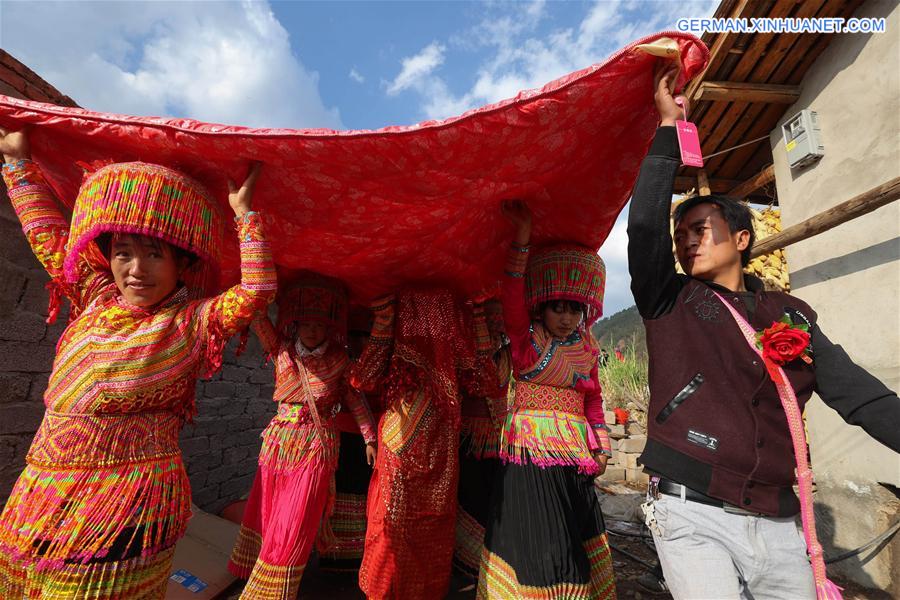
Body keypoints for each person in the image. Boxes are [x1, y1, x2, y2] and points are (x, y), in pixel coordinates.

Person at [628, 66, 900, 599]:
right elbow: (642, 228)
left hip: (780, 522)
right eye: (680, 236)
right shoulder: (670, 298)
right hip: (691, 510)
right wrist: (667, 130)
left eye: (700, 230)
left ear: (742, 238)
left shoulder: (790, 313)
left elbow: (860, 396)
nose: (686, 242)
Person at [0, 127, 276, 598]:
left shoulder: (192, 322)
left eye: (154, 255)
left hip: (125, 502)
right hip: (43, 492)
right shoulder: (94, 296)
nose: (136, 270)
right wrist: (17, 164)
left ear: (182, 264)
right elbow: (48, 239)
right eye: (123, 253)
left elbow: (257, 291)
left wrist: (245, 217)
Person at [477, 201, 616, 599]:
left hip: (575, 456)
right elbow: (511, 295)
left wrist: (602, 445)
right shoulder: (527, 342)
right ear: (541, 305)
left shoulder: (587, 349)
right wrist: (522, 239)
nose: (567, 318)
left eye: (574, 309)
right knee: (543, 538)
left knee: (572, 533)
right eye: (558, 308)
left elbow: (593, 401)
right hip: (530, 454)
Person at [227, 272, 377, 599]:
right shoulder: (281, 349)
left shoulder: (338, 360)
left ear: (329, 328)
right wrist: (257, 286)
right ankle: (258, 572)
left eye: (319, 325)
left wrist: (369, 437)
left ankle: (276, 587)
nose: (312, 330)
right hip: (279, 444)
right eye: (306, 323)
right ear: (296, 324)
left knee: (296, 516)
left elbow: (355, 400)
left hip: (316, 446)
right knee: (270, 510)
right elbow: (257, 317)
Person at [353, 288, 491, 600]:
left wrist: (384, 318)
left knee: (418, 524)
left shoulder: (446, 318)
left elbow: (363, 377)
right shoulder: (447, 313)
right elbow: (483, 379)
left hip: (426, 439)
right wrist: (384, 320)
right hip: (413, 439)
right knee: (402, 523)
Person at [319, 305, 382, 573]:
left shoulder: (383, 366)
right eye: (355, 335)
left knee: (363, 492)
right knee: (339, 490)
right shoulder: (339, 362)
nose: (360, 341)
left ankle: (360, 553)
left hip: (371, 439)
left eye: (366, 335)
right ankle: (334, 553)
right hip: (341, 435)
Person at [452, 300, 509, 586]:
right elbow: (479, 383)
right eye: (488, 326)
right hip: (469, 440)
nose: (493, 333)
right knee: (469, 498)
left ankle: (487, 567)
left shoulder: (508, 355)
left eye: (498, 328)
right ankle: (467, 566)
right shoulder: (466, 357)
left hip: (499, 441)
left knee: (492, 504)